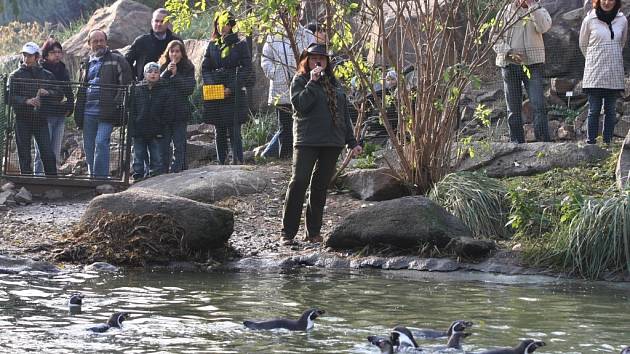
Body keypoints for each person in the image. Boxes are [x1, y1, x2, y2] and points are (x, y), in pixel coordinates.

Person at [280, 43, 363, 246]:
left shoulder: (335, 84)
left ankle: (313, 232)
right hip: (307, 140)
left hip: (332, 142)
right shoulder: (300, 81)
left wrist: (352, 142)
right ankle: (287, 233)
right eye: (314, 57)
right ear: (306, 60)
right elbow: (300, 105)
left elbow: (343, 115)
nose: (318, 61)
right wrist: (312, 82)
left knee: (319, 187)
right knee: (299, 182)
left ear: (327, 62)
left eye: (322, 58)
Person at [74, 29, 133, 178]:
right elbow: (81, 87)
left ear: (106, 42)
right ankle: (92, 176)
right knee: (88, 146)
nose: (99, 43)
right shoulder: (85, 63)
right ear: (89, 44)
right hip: (87, 111)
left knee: (101, 142)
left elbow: (125, 84)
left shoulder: (116, 59)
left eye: (102, 40)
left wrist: (116, 103)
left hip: (107, 111)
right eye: (95, 41)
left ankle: (100, 179)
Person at [493, 0, 552, 143]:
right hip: (509, 64)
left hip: (533, 65)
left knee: (538, 104)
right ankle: (516, 144)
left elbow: (544, 27)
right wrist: (508, 52)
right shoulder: (505, 11)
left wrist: (532, 7)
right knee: (513, 108)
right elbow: (494, 37)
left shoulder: (540, 10)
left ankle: (543, 143)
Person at [260, 12, 315, 159]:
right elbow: (265, 60)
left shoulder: (307, 35)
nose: (291, 16)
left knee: (304, 125)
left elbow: (315, 57)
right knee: (285, 127)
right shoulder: (273, 36)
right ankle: (285, 159)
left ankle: (303, 159)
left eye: (295, 12)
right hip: (281, 91)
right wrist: (276, 73)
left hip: (305, 88)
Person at [202, 11, 254, 165]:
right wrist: (214, 86)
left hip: (234, 92)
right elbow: (205, 68)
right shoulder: (212, 45)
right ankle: (222, 162)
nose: (221, 27)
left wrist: (231, 88)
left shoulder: (240, 44)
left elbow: (246, 68)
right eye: (218, 24)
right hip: (216, 91)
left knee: (234, 129)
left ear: (231, 25)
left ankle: (238, 160)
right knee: (219, 130)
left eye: (224, 23)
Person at [580, 0, 627, 145]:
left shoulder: (622, 20)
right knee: (593, 110)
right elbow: (583, 44)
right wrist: (594, 59)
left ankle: (608, 142)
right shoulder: (589, 19)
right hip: (595, 72)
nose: (607, 2)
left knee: (610, 110)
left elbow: (622, 43)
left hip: (613, 71)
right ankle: (591, 143)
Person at [8, 42, 59, 175]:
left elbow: (59, 93)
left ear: (37, 57)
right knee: (24, 153)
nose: (26, 58)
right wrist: (26, 101)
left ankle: (52, 181)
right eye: (24, 55)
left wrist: (48, 93)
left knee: (47, 152)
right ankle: (26, 183)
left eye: (29, 55)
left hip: (40, 119)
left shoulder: (47, 75)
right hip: (21, 119)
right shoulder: (15, 75)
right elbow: (8, 97)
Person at [33, 38, 74, 175]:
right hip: (44, 114)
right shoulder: (39, 69)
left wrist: (70, 106)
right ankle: (37, 178)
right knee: (42, 149)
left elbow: (68, 90)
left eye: (59, 52)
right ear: (45, 54)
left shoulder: (62, 69)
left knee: (55, 150)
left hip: (60, 113)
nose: (57, 55)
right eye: (53, 52)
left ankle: (52, 178)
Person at [129, 62, 172, 181]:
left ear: (159, 74)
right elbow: (131, 108)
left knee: (156, 154)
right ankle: (138, 175)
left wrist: (162, 124)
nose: (153, 74)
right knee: (138, 154)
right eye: (150, 72)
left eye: (156, 72)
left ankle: (155, 175)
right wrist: (133, 124)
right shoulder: (137, 89)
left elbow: (167, 110)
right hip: (139, 128)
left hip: (156, 128)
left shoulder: (164, 91)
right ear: (144, 74)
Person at [159, 40, 196, 173]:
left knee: (179, 144)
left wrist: (176, 75)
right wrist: (166, 73)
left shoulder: (188, 67)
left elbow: (189, 89)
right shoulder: (163, 66)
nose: (174, 54)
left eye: (177, 51)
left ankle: (177, 170)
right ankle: (163, 171)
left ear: (182, 53)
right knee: (164, 145)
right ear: (168, 53)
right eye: (172, 51)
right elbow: (158, 85)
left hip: (180, 111)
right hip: (164, 112)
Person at [126, 8, 181, 81]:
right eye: (156, 21)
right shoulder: (141, 41)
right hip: (144, 87)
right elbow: (127, 61)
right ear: (152, 22)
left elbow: (183, 63)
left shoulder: (175, 42)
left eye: (162, 21)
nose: (159, 24)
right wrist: (134, 78)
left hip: (168, 87)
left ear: (168, 23)